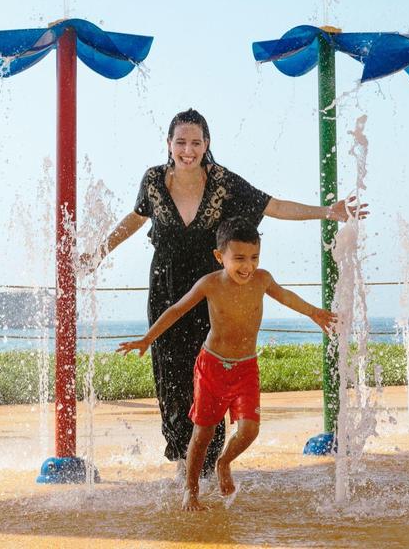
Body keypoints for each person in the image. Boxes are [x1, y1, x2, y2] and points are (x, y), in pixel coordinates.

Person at [81, 108, 365, 478]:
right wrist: (98, 253)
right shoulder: (152, 180)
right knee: (171, 376)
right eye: (180, 142)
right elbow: (135, 219)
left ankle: (208, 463)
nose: (188, 150)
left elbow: (273, 206)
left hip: (213, 293)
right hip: (165, 290)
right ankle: (184, 460)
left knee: (209, 379)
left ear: (206, 144)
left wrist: (329, 211)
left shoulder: (222, 181)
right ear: (169, 144)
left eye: (195, 142)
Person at [117, 217, 335, 510]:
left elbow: (286, 297)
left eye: (254, 257)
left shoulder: (262, 279)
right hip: (213, 367)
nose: (248, 266)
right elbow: (176, 310)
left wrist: (314, 312)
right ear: (220, 257)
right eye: (240, 258)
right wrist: (147, 339)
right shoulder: (210, 284)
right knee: (203, 433)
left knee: (249, 430)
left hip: (246, 367)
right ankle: (191, 490)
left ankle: (224, 462)